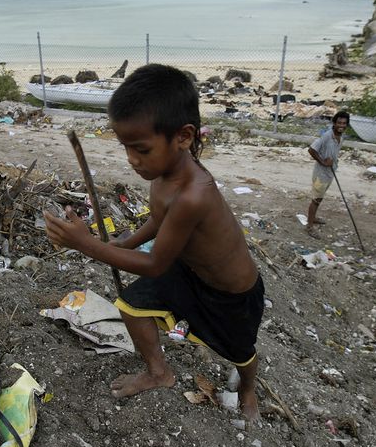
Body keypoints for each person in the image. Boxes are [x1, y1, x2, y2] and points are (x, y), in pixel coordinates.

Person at [44, 64, 265, 421]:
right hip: (189, 270)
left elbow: (156, 264)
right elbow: (158, 222)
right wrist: (124, 244)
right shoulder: (163, 175)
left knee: (240, 351)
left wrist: (87, 245)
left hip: (232, 292)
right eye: (126, 148)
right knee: (132, 305)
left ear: (184, 136)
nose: (132, 160)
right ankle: (158, 372)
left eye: (142, 149)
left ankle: (249, 388)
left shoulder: (194, 194)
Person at [305, 111, 349, 236]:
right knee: (316, 199)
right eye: (339, 123)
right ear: (334, 123)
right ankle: (309, 226)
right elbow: (311, 150)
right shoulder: (327, 136)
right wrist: (323, 162)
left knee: (319, 198)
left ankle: (312, 219)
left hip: (330, 173)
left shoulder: (340, 137)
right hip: (321, 174)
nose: (341, 125)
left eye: (344, 123)